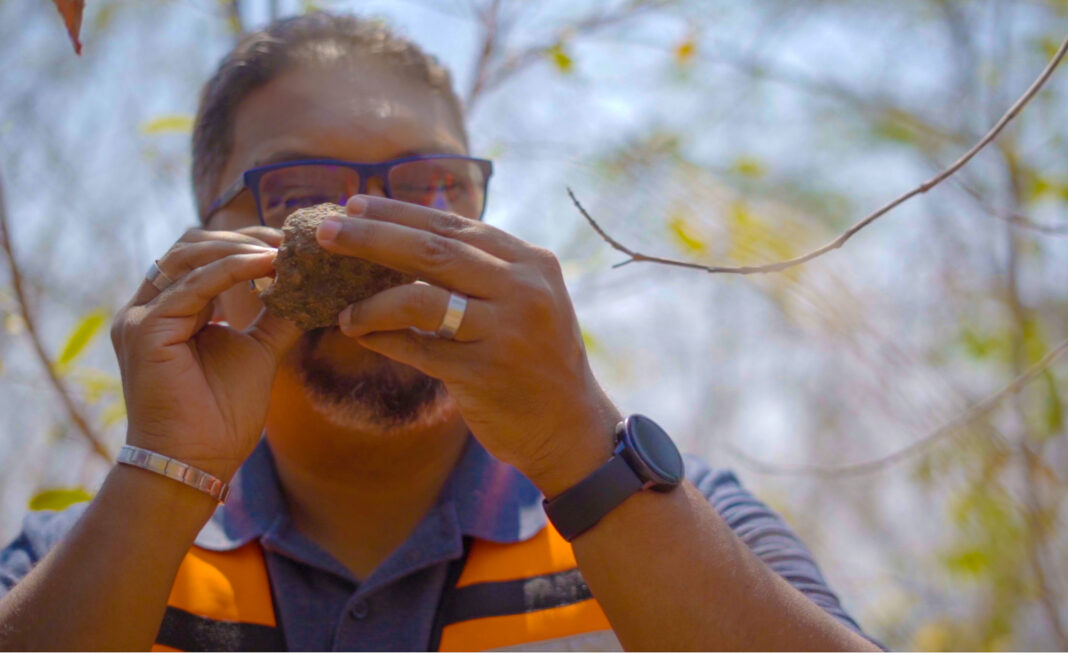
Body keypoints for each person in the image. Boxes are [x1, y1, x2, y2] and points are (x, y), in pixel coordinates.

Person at [0, 12, 880, 651]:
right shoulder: (83, 559)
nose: (378, 231)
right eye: (303, 188)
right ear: (208, 237)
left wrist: (578, 443)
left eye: (430, 186)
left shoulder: (667, 514)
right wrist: (162, 479)